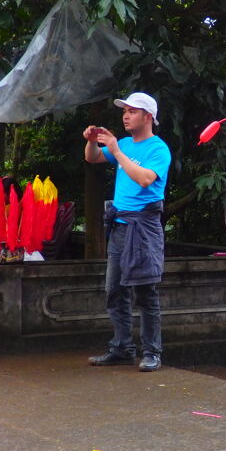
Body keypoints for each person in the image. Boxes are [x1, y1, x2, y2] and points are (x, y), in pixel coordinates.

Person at [85, 93, 172, 372]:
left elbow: (145, 179)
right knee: (114, 290)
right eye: (125, 111)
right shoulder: (122, 143)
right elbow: (94, 158)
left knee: (146, 292)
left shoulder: (159, 149)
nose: (126, 115)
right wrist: (91, 141)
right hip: (120, 226)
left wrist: (118, 151)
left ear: (147, 117)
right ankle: (122, 347)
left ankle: (152, 352)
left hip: (144, 227)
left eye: (132, 111)